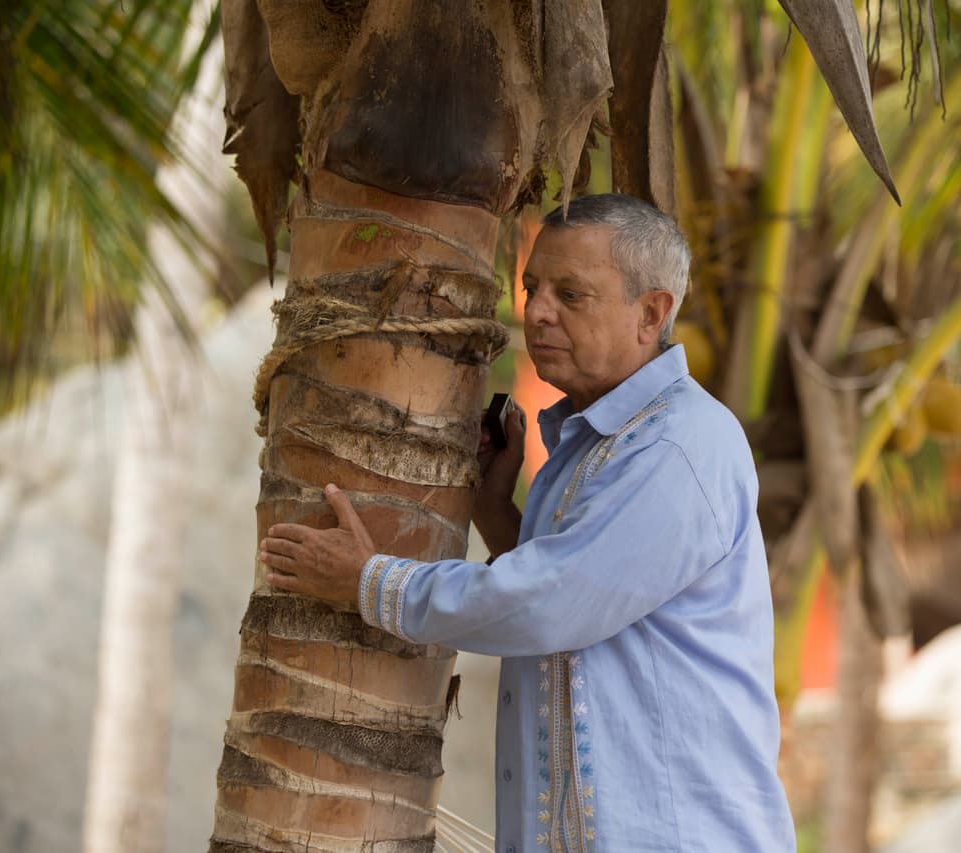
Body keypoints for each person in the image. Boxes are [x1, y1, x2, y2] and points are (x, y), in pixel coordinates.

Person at [258, 193, 796, 852]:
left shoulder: (678, 446)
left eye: (571, 294)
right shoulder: (592, 441)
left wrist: (370, 582)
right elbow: (586, 615)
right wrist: (493, 506)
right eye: (534, 287)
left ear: (650, 313)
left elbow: (550, 605)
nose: (537, 311)